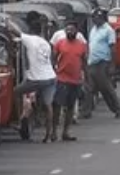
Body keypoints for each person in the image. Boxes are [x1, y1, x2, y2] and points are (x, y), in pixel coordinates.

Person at [19, 13, 57, 142]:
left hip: (36, 78)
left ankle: (23, 115)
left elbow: (16, 31)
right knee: (48, 105)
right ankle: (49, 134)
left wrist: (6, 21)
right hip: (50, 77)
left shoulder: (30, 40)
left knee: (16, 92)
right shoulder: (45, 43)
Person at [82, 9, 120, 119]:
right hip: (92, 62)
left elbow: (113, 49)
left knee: (106, 89)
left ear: (101, 18)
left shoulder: (108, 30)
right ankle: (86, 112)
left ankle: (117, 110)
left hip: (102, 63)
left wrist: (112, 65)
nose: (94, 20)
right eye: (93, 17)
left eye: (96, 17)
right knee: (89, 89)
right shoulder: (93, 30)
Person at [51, 21, 86, 142]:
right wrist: (53, 72)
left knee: (70, 107)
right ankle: (54, 131)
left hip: (75, 80)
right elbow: (53, 59)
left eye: (72, 29)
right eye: (67, 30)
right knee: (57, 105)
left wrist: (84, 78)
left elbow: (84, 61)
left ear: (77, 31)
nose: (69, 32)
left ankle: (66, 132)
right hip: (62, 79)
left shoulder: (81, 45)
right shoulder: (60, 43)